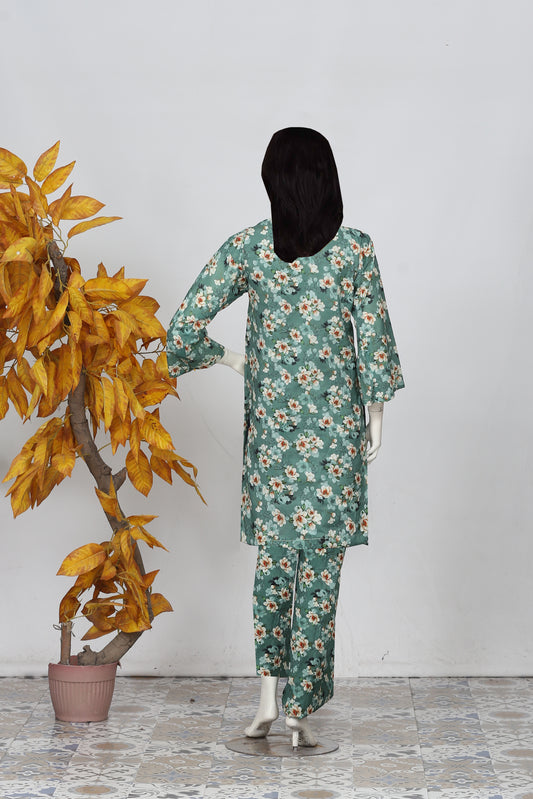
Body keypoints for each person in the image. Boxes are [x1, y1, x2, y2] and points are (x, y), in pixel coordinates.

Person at [166, 127, 405, 750]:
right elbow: (374, 344)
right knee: (319, 576)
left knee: (273, 567)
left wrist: (233, 361)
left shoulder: (250, 248)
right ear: (328, 180)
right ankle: (299, 709)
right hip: (336, 444)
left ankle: (268, 699)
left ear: (273, 183)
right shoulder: (354, 251)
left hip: (273, 446)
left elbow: (183, 327)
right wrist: (376, 419)